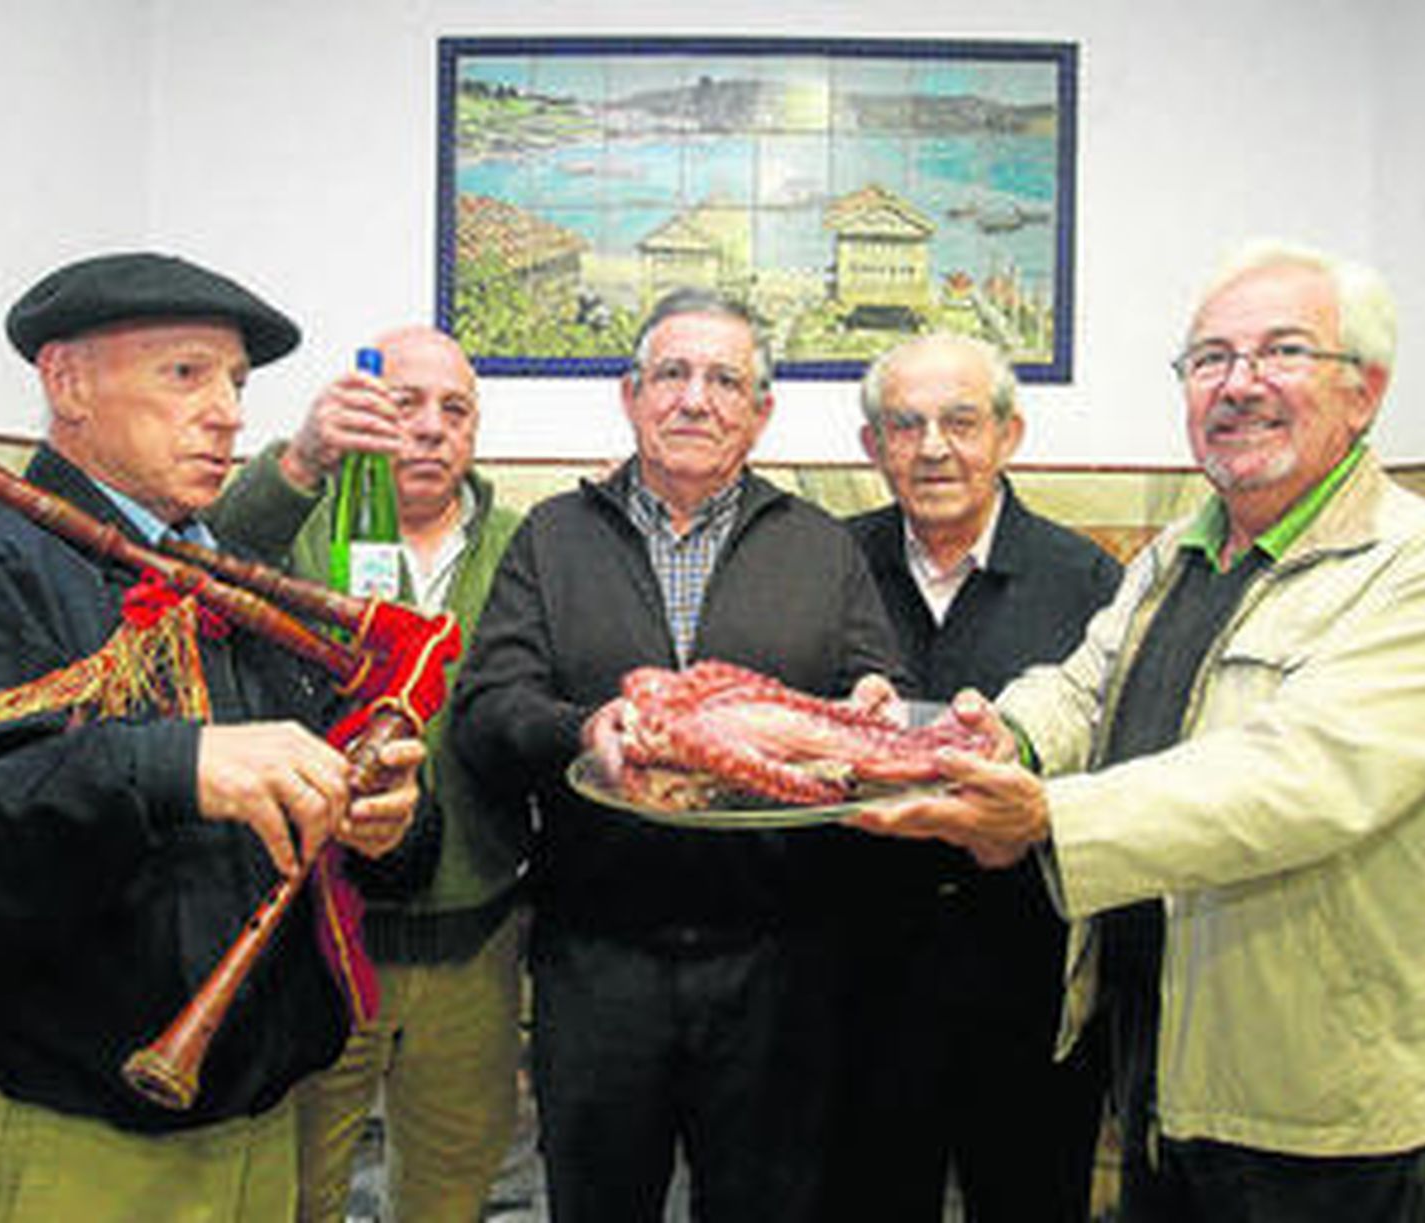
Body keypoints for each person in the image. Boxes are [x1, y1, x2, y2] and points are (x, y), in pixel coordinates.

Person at [0, 251, 425, 1222]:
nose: (227, 413)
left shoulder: (223, 576)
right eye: (185, 373)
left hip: (259, 1133)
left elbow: (328, 813)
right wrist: (166, 765)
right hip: (73, 1153)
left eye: (236, 382)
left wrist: (388, 826)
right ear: (66, 382)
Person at [853, 240, 1425, 1222]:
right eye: (1210, 359)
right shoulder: (1180, 550)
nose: (1238, 384)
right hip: (1162, 1060)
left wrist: (1045, 817)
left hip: (1312, 1105)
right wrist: (998, 736)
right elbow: (1085, 688)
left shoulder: (1405, 567)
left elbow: (1291, 778)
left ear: (1364, 390)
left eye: (1283, 351)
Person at [450, 287, 907, 1223]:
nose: (695, 399)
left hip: (779, 965)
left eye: (725, 380)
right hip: (597, 959)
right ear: (631, 395)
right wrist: (585, 729)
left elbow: (875, 687)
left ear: (761, 412)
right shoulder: (553, 537)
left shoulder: (820, 546)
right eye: (672, 374)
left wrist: (876, 702)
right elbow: (489, 711)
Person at [206, 324, 527, 1222]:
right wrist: (302, 457)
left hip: (474, 942)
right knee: (300, 1187)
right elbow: (206, 552)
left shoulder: (525, 546)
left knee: (452, 1186)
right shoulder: (297, 529)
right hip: (316, 935)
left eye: (455, 410)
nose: (430, 427)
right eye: (404, 404)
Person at [828, 332, 1120, 1222]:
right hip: (857, 983)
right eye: (904, 425)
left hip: (1027, 979)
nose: (933, 448)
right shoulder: (825, 564)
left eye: (960, 421)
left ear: (1008, 434)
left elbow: (1119, 762)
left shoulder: (1090, 579)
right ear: (872, 445)